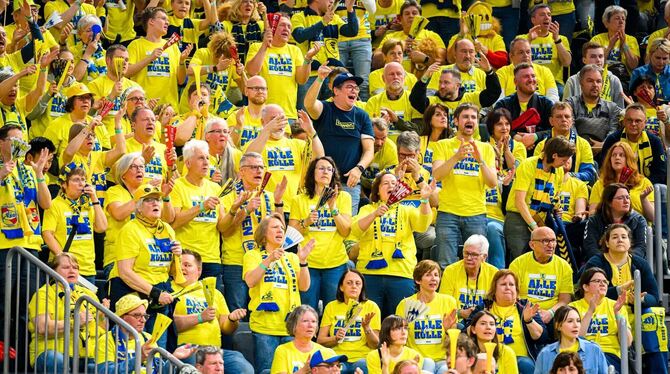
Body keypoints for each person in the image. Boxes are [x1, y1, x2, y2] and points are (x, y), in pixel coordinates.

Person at [349, 172, 434, 317]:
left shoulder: (407, 210)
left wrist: (425, 201)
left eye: (394, 184)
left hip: (401, 274)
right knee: (369, 321)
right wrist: (374, 214)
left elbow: (422, 225)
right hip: (370, 274)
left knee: (400, 322)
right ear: (377, 190)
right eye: (386, 183)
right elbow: (355, 230)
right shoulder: (367, 209)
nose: (391, 186)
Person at [109, 183, 182, 349]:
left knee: (157, 349)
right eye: (148, 200)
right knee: (133, 348)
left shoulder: (167, 229)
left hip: (160, 297)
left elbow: (171, 272)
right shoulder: (130, 230)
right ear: (138, 207)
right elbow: (125, 272)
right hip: (133, 298)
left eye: (157, 199)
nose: (155, 203)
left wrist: (177, 256)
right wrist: (155, 293)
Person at [242, 213, 315, 374]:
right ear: (263, 234)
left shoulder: (292, 257)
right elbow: (250, 281)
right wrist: (268, 260)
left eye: (282, 228)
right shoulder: (252, 255)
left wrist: (303, 261)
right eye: (275, 227)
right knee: (268, 371)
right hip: (265, 328)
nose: (280, 230)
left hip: (291, 327)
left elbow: (304, 286)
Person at [431, 103, 496, 268]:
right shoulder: (442, 145)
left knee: (477, 264)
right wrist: (456, 158)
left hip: (476, 214)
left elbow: (492, 183)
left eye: (473, 117)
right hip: (447, 213)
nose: (470, 120)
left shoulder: (486, 148)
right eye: (465, 117)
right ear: (456, 121)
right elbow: (437, 175)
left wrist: (480, 160)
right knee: (445, 263)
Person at [219, 152, 284, 311]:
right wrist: (245, 210)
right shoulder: (228, 196)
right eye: (253, 167)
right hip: (236, 261)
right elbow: (224, 230)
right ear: (241, 171)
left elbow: (280, 227)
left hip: (262, 261)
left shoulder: (268, 196)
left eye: (261, 167)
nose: (259, 171)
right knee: (237, 312)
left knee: (261, 309)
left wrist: (278, 202)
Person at [304, 70, 375, 215]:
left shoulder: (362, 116)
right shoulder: (325, 109)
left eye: (356, 88)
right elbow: (309, 104)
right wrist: (319, 79)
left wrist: (359, 169)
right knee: (319, 222)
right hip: (321, 181)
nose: (354, 91)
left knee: (346, 225)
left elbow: (369, 150)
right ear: (336, 91)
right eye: (349, 87)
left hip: (349, 182)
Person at [172, 250, 253, 373]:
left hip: (215, 351)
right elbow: (171, 326)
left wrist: (232, 319)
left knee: (243, 367)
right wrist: (200, 318)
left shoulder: (213, 292)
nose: (182, 268)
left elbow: (226, 328)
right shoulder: (168, 291)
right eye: (179, 264)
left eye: (187, 265)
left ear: (199, 270)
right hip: (187, 349)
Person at [289, 156, 352, 311]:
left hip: (335, 263)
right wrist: (306, 222)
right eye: (321, 168)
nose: (325, 172)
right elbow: (290, 234)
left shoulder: (344, 197)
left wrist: (333, 208)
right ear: (313, 173)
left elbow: (345, 231)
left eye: (329, 169)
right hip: (308, 264)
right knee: (307, 309)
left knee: (334, 309)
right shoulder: (299, 200)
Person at [104, 152, 174, 280]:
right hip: (117, 259)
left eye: (142, 167)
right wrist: (141, 194)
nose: (139, 170)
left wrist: (165, 196)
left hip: (147, 260)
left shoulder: (149, 193)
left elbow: (168, 219)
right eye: (133, 167)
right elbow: (119, 214)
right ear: (123, 173)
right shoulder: (114, 191)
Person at [504, 136, 574, 261]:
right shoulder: (528, 165)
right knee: (521, 258)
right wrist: (534, 226)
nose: (565, 164)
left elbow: (554, 196)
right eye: (563, 160)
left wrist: (557, 209)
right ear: (554, 155)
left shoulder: (558, 172)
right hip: (518, 218)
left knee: (542, 259)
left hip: (540, 219)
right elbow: (519, 201)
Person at [29, 253, 102, 372]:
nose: (72, 270)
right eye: (66, 267)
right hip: (54, 352)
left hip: (87, 355)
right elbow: (43, 327)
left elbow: (100, 329)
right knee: (56, 360)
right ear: (53, 271)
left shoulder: (89, 295)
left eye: (75, 267)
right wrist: (75, 322)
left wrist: (104, 316)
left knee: (105, 365)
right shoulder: (44, 294)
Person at [95, 293, 198, 373]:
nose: (143, 320)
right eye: (137, 315)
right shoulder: (106, 340)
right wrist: (139, 358)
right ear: (122, 317)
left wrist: (173, 357)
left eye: (144, 316)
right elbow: (105, 371)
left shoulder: (148, 338)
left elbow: (160, 371)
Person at [170, 140, 226, 285]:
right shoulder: (177, 186)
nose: (206, 162)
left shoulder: (215, 188)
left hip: (211, 259)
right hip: (186, 258)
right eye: (201, 158)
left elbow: (221, 227)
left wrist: (235, 211)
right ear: (188, 163)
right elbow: (173, 223)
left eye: (207, 158)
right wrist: (201, 207)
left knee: (213, 306)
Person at [245, 104, 324, 206]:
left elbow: (319, 159)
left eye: (281, 119)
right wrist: (267, 130)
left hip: (294, 207)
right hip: (266, 206)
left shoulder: (297, 144)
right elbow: (250, 158)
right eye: (274, 119)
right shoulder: (254, 144)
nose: (279, 123)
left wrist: (311, 131)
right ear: (262, 122)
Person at [471, 269, 548, 374]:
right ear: (494, 289)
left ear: (516, 290)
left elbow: (542, 338)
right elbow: (467, 332)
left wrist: (529, 321)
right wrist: (480, 321)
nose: (508, 287)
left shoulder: (525, 307)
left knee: (526, 364)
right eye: (503, 284)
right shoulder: (483, 307)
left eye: (511, 284)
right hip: (488, 356)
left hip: (519, 358)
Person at [42, 164, 107, 283]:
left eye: (83, 180)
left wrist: (95, 199)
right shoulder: (54, 204)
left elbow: (101, 228)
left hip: (87, 268)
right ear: (63, 184)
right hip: (63, 269)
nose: (81, 183)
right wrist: (63, 259)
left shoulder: (88, 205)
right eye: (76, 180)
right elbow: (47, 234)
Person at [246, 14, 317, 120]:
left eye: (289, 27)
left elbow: (301, 80)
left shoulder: (294, 50)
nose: (286, 29)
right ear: (272, 27)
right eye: (282, 25)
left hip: (288, 115)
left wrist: (308, 59)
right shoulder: (256, 47)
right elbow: (252, 71)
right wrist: (264, 46)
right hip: (262, 114)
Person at [291, 0, 359, 107]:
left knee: (333, 115)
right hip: (310, 76)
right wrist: (323, 22)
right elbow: (299, 36)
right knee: (306, 113)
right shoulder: (299, 17)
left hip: (332, 75)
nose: (332, 1)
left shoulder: (334, 18)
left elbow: (352, 31)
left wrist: (350, 9)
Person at [396, 260, 457, 374]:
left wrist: (449, 329)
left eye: (436, 275)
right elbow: (399, 338)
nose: (433, 279)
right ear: (418, 280)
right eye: (428, 275)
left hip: (442, 360)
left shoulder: (449, 301)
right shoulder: (405, 304)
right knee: (427, 366)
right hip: (416, 359)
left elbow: (452, 342)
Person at [581, 223, 660, 312]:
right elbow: (589, 292)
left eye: (624, 237)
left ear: (629, 243)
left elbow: (654, 297)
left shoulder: (641, 264)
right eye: (615, 237)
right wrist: (619, 290)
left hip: (634, 313)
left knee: (650, 314)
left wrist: (640, 300)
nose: (620, 240)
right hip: (604, 312)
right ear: (607, 243)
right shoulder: (596, 262)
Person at [484, 109, 525, 268]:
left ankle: (498, 272)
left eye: (507, 123)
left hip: (503, 212)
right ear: (491, 127)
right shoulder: (483, 146)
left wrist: (506, 150)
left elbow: (518, 170)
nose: (504, 127)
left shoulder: (518, 147)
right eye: (499, 124)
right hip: (480, 211)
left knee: (493, 228)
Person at [569, 267, 631, 372]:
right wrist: (590, 311)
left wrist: (617, 313)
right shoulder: (573, 307)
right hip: (581, 353)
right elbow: (575, 338)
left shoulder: (616, 306)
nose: (602, 284)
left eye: (605, 282)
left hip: (610, 355)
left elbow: (627, 342)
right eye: (597, 281)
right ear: (585, 286)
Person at [318, 269, 381, 373]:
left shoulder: (371, 307)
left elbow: (374, 345)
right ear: (341, 287)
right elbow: (320, 340)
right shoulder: (331, 307)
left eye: (358, 283)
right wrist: (335, 338)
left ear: (362, 287)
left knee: (362, 366)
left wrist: (367, 328)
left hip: (362, 357)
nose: (354, 286)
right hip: (338, 358)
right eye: (349, 283)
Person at [509, 227, 573, 329]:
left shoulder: (564, 267)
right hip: (524, 312)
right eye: (545, 241)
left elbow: (565, 300)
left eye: (553, 240)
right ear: (532, 245)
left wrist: (550, 313)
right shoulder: (518, 264)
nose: (551, 245)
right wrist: (530, 312)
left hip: (552, 315)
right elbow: (513, 296)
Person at [126, 7, 189, 108]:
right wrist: (150, 58)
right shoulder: (135, 45)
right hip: (144, 107)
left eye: (168, 20)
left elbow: (181, 81)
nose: (167, 22)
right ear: (151, 21)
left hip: (169, 108)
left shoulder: (172, 46)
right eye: (163, 19)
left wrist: (182, 62)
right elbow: (126, 72)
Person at [598, 103, 667, 185]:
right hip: (617, 186)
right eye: (630, 120)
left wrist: (640, 185)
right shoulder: (613, 139)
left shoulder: (654, 142)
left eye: (638, 121)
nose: (633, 124)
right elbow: (604, 167)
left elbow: (660, 173)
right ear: (624, 122)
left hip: (646, 187)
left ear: (645, 123)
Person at [409, 60, 500, 121]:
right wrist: (424, 79)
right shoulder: (434, 102)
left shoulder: (472, 99)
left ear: (457, 86)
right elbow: (415, 100)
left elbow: (494, 92)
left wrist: (489, 72)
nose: (442, 86)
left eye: (446, 82)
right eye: (440, 82)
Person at [181, 31, 246, 116]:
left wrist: (242, 74)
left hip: (213, 114)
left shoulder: (231, 62)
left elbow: (245, 91)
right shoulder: (203, 53)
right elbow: (190, 71)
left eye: (228, 57)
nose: (226, 60)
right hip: (190, 110)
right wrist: (215, 68)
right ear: (215, 52)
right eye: (224, 57)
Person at [589, 142, 655, 222]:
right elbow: (592, 215)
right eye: (613, 155)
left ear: (629, 159)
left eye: (621, 155)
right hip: (608, 226)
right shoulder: (600, 184)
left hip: (637, 226)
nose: (617, 158)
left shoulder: (644, 182)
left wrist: (643, 199)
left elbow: (653, 217)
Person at [374, 1, 446, 73]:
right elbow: (376, 62)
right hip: (396, 80)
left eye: (414, 13)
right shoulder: (390, 37)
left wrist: (425, 59)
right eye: (407, 13)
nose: (411, 16)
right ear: (400, 19)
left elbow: (442, 63)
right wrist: (400, 46)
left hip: (425, 81)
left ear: (421, 17)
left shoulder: (433, 36)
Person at [532, 103, 596, 184]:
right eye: (559, 117)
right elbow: (537, 172)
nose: (563, 119)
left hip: (574, 189)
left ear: (572, 121)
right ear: (551, 121)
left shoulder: (583, 144)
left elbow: (589, 174)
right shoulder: (541, 145)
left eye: (567, 116)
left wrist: (567, 176)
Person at [439, 235, 498, 322]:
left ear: (484, 257)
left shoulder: (493, 273)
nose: (469, 258)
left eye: (474, 254)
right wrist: (460, 313)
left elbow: (497, 305)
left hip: (484, 322)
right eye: (466, 253)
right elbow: (443, 306)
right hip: (456, 323)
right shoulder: (450, 271)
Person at [87, 44, 141, 139]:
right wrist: (112, 96)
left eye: (127, 60)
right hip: (105, 138)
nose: (124, 62)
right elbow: (90, 116)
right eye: (120, 58)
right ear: (108, 60)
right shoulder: (94, 85)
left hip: (130, 139)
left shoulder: (135, 87)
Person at [564, 64, 623, 151]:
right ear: (581, 83)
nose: (595, 85)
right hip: (576, 150)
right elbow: (570, 129)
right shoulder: (570, 104)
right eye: (590, 81)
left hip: (604, 151)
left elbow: (613, 132)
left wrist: (604, 144)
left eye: (598, 81)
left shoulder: (612, 107)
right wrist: (582, 146)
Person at [534, 306, 608, 374]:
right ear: (558, 326)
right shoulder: (545, 354)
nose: (576, 325)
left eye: (578, 321)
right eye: (570, 321)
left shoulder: (594, 350)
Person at [583, 183, 648, 260]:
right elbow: (591, 248)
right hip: (601, 263)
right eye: (620, 198)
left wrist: (624, 260)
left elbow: (641, 247)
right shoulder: (594, 221)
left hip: (631, 263)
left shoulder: (639, 220)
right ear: (609, 202)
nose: (626, 201)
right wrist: (608, 261)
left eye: (627, 197)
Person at [519, 5, 571, 92]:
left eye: (549, 15)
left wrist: (557, 40)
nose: (547, 17)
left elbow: (566, 62)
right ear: (533, 20)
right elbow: (515, 62)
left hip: (554, 82)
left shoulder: (561, 39)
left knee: (561, 93)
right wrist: (529, 40)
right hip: (528, 80)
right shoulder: (521, 39)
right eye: (542, 14)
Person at [271, 305, 338, 374]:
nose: (310, 325)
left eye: (313, 321)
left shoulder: (326, 352)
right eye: (305, 321)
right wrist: (302, 371)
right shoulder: (283, 351)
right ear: (294, 325)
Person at [365, 62, 422, 140]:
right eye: (391, 74)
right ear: (383, 78)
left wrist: (397, 121)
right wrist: (380, 125)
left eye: (399, 74)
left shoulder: (414, 100)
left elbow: (419, 130)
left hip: (407, 149)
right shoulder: (373, 101)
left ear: (404, 77)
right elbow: (366, 131)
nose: (395, 77)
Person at [562, 42, 626, 108]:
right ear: (584, 60)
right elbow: (566, 110)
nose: (598, 60)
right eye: (593, 56)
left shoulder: (614, 80)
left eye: (601, 56)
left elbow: (620, 112)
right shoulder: (572, 81)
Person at [494, 38, 558, 102]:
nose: (526, 55)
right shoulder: (501, 73)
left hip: (540, 110)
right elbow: (498, 100)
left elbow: (553, 98)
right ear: (511, 56)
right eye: (521, 52)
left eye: (528, 52)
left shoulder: (545, 71)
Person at [590, 5, 639, 72]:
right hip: (601, 77)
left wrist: (624, 44)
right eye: (617, 18)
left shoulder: (632, 40)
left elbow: (633, 66)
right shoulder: (597, 39)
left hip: (624, 79)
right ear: (607, 23)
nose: (621, 21)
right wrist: (610, 46)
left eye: (623, 19)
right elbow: (594, 65)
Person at [229, 75, 269, 148]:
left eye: (263, 88)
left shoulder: (276, 115)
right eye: (256, 88)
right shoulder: (236, 115)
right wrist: (238, 125)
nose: (260, 91)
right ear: (246, 91)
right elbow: (230, 146)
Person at [222, 0, 266, 64]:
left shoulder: (260, 24)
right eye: (245, 1)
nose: (248, 4)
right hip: (233, 68)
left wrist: (264, 15)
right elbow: (214, 28)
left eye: (251, 2)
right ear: (237, 6)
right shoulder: (226, 25)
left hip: (255, 69)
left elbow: (270, 40)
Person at [631, 38, 670, 104]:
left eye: (664, 58)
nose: (661, 62)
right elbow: (633, 97)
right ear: (650, 55)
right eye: (657, 58)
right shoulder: (638, 73)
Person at [363, 118, 398, 190]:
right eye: (375, 138)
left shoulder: (391, 149)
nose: (379, 143)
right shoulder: (358, 144)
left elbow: (388, 180)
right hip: (359, 186)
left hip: (380, 188)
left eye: (383, 138)